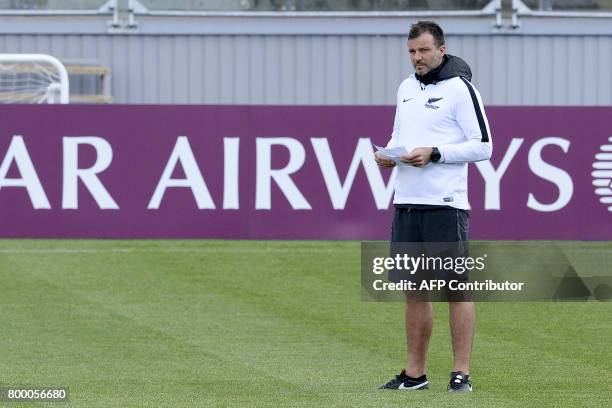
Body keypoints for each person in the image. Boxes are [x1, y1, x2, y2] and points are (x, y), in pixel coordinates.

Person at [375, 21, 492, 393]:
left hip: (445, 205)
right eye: (411, 51)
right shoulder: (406, 88)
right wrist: (389, 154)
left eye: (423, 50)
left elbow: (484, 146)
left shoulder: (460, 89)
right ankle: (415, 375)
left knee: (456, 290)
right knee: (415, 291)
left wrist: (436, 153)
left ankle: (461, 373)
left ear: (441, 49)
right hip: (407, 203)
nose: (417, 58)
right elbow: (399, 135)